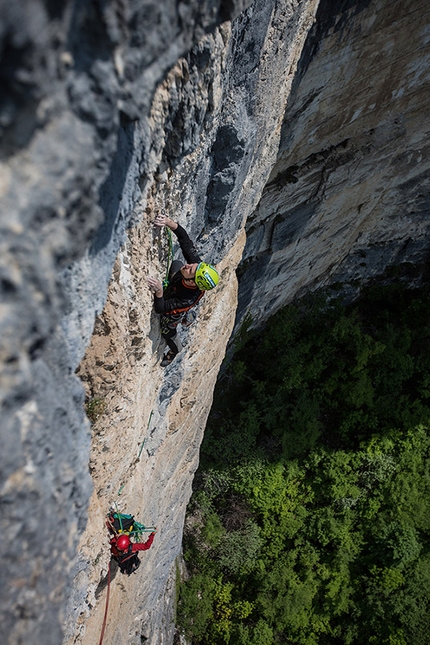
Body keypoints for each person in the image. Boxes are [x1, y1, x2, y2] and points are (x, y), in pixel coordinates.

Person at [147, 214, 219, 366]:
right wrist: (168, 222)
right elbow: (185, 241)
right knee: (177, 263)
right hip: (177, 285)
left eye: (191, 270)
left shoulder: (186, 299)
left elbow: (160, 308)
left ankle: (174, 350)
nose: (189, 266)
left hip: (176, 304)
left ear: (193, 283)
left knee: (167, 330)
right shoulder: (196, 267)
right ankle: (186, 315)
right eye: (194, 266)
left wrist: (159, 291)